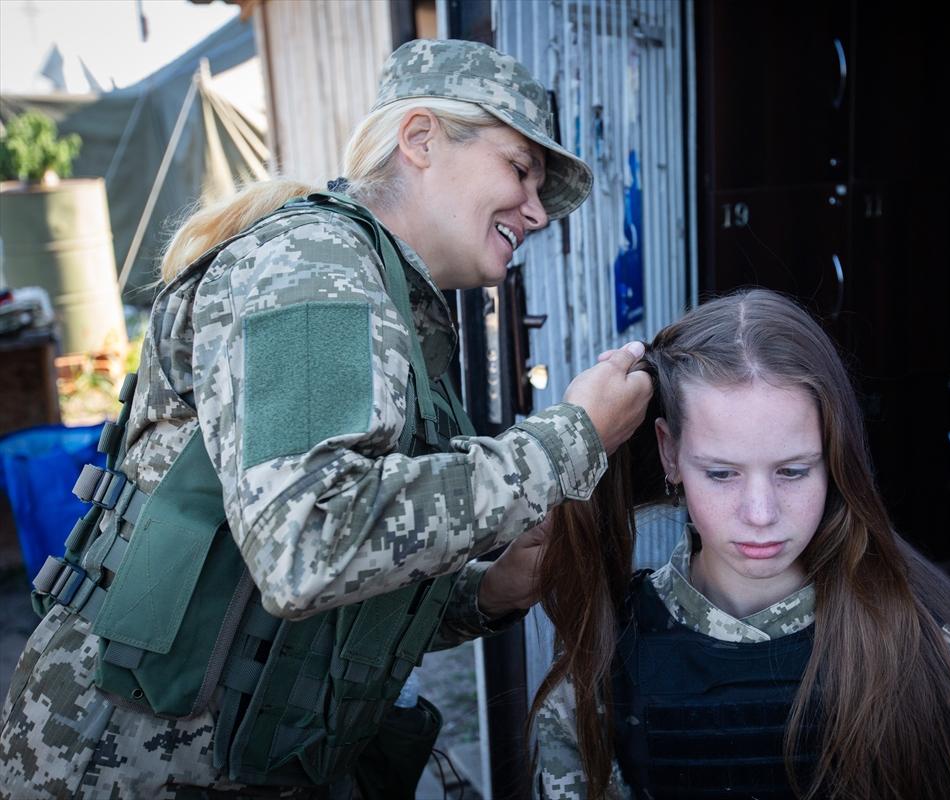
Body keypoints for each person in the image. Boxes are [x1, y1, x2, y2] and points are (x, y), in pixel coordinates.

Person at [0, 39, 651, 798]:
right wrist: (570, 439)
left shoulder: (380, 297)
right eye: (519, 169)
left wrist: (485, 593)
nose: (537, 211)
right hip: (122, 769)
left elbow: (313, 593)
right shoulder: (314, 264)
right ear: (420, 139)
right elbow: (308, 546)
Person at [532, 289, 950, 800]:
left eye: (793, 471)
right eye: (721, 473)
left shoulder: (928, 656)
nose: (761, 514)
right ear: (670, 454)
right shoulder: (601, 669)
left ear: (834, 457)